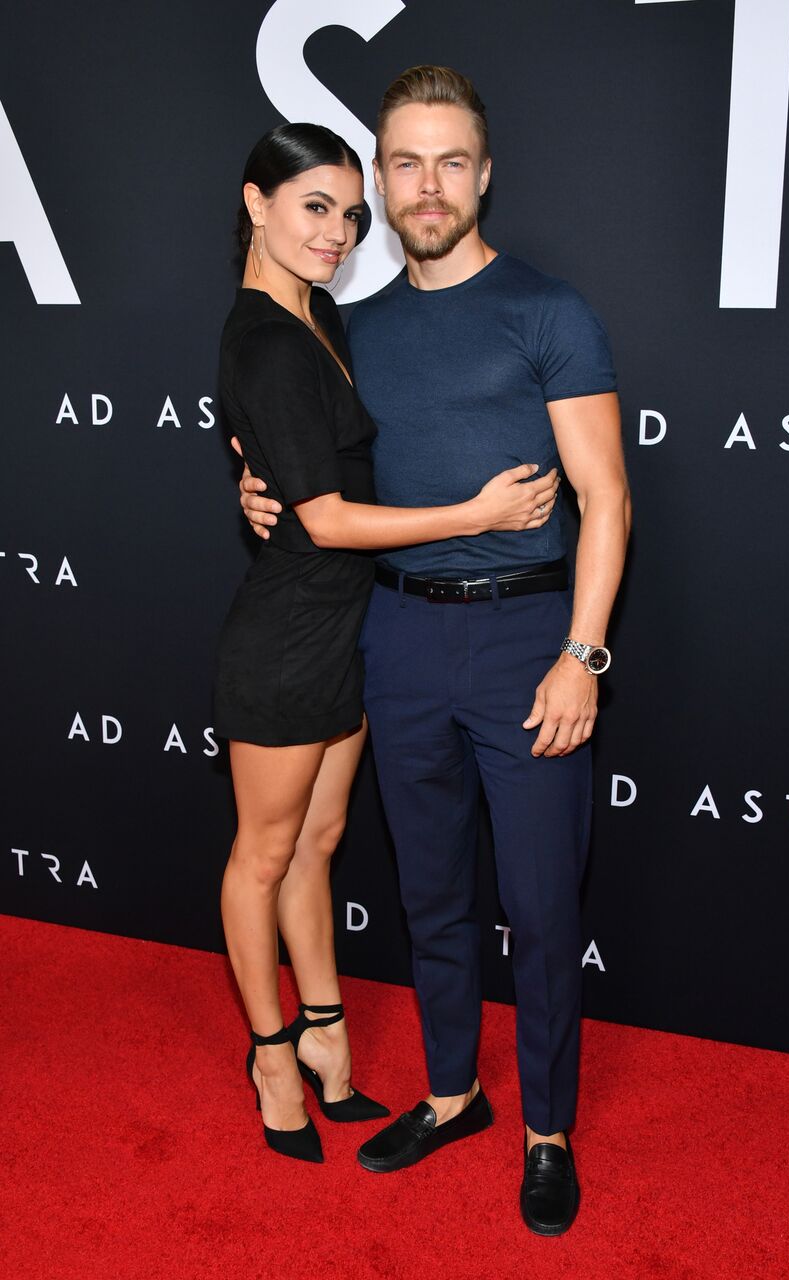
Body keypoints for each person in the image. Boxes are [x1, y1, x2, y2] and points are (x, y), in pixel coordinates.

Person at [240, 67, 630, 1232]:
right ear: (380, 182)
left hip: (527, 637)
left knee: (545, 905)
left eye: (448, 161)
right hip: (395, 632)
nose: (425, 185)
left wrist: (583, 654)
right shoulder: (346, 328)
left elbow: (605, 497)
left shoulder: (549, 312)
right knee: (430, 892)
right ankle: (453, 1091)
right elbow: (313, 467)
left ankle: (547, 1129)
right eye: (402, 163)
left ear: (483, 174)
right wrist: (264, 489)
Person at [215, 120, 561, 1167]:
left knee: (318, 844)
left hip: (349, 626)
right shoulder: (269, 337)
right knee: (264, 853)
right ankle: (272, 1053)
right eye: (315, 207)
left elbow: (297, 462)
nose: (337, 232)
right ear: (255, 204)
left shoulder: (318, 315)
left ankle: (328, 1032)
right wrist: (477, 514)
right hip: (285, 635)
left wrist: (253, 469)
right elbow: (321, 517)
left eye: (349, 214)